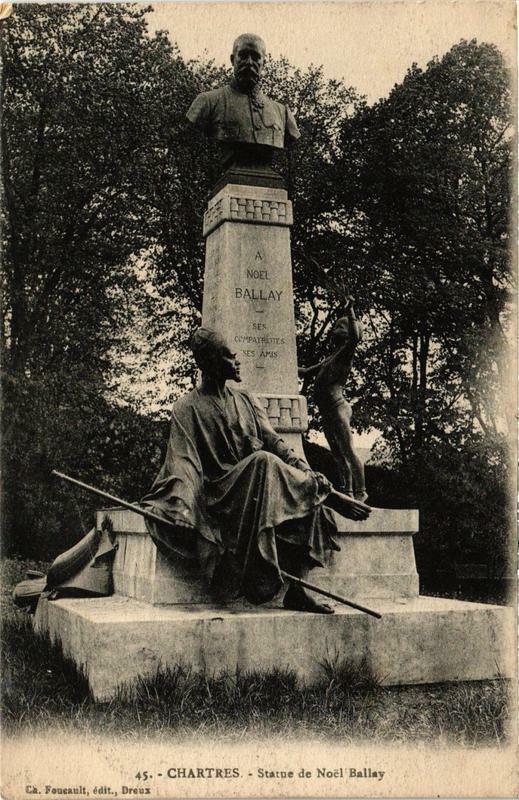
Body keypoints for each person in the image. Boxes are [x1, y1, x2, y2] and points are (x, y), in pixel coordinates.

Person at [142, 328, 370, 614]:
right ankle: (322, 491)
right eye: (228, 356)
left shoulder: (246, 399)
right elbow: (182, 462)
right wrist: (183, 507)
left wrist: (303, 469)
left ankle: (297, 590)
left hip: (256, 485)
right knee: (264, 463)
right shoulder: (187, 407)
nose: (237, 361)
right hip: (221, 492)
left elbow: (276, 442)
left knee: (281, 475)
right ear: (210, 363)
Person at [186, 33, 300, 167]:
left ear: (264, 62)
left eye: (256, 57)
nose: (249, 62)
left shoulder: (282, 113)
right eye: (243, 56)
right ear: (233, 60)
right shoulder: (208, 102)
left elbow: (291, 136)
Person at [298, 297, 367, 502]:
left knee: (348, 449)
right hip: (327, 411)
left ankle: (361, 491)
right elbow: (306, 372)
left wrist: (351, 310)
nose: (335, 329)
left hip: (338, 408)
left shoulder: (346, 353)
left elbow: (355, 338)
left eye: (340, 326)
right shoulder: (330, 358)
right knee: (337, 453)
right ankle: (348, 491)